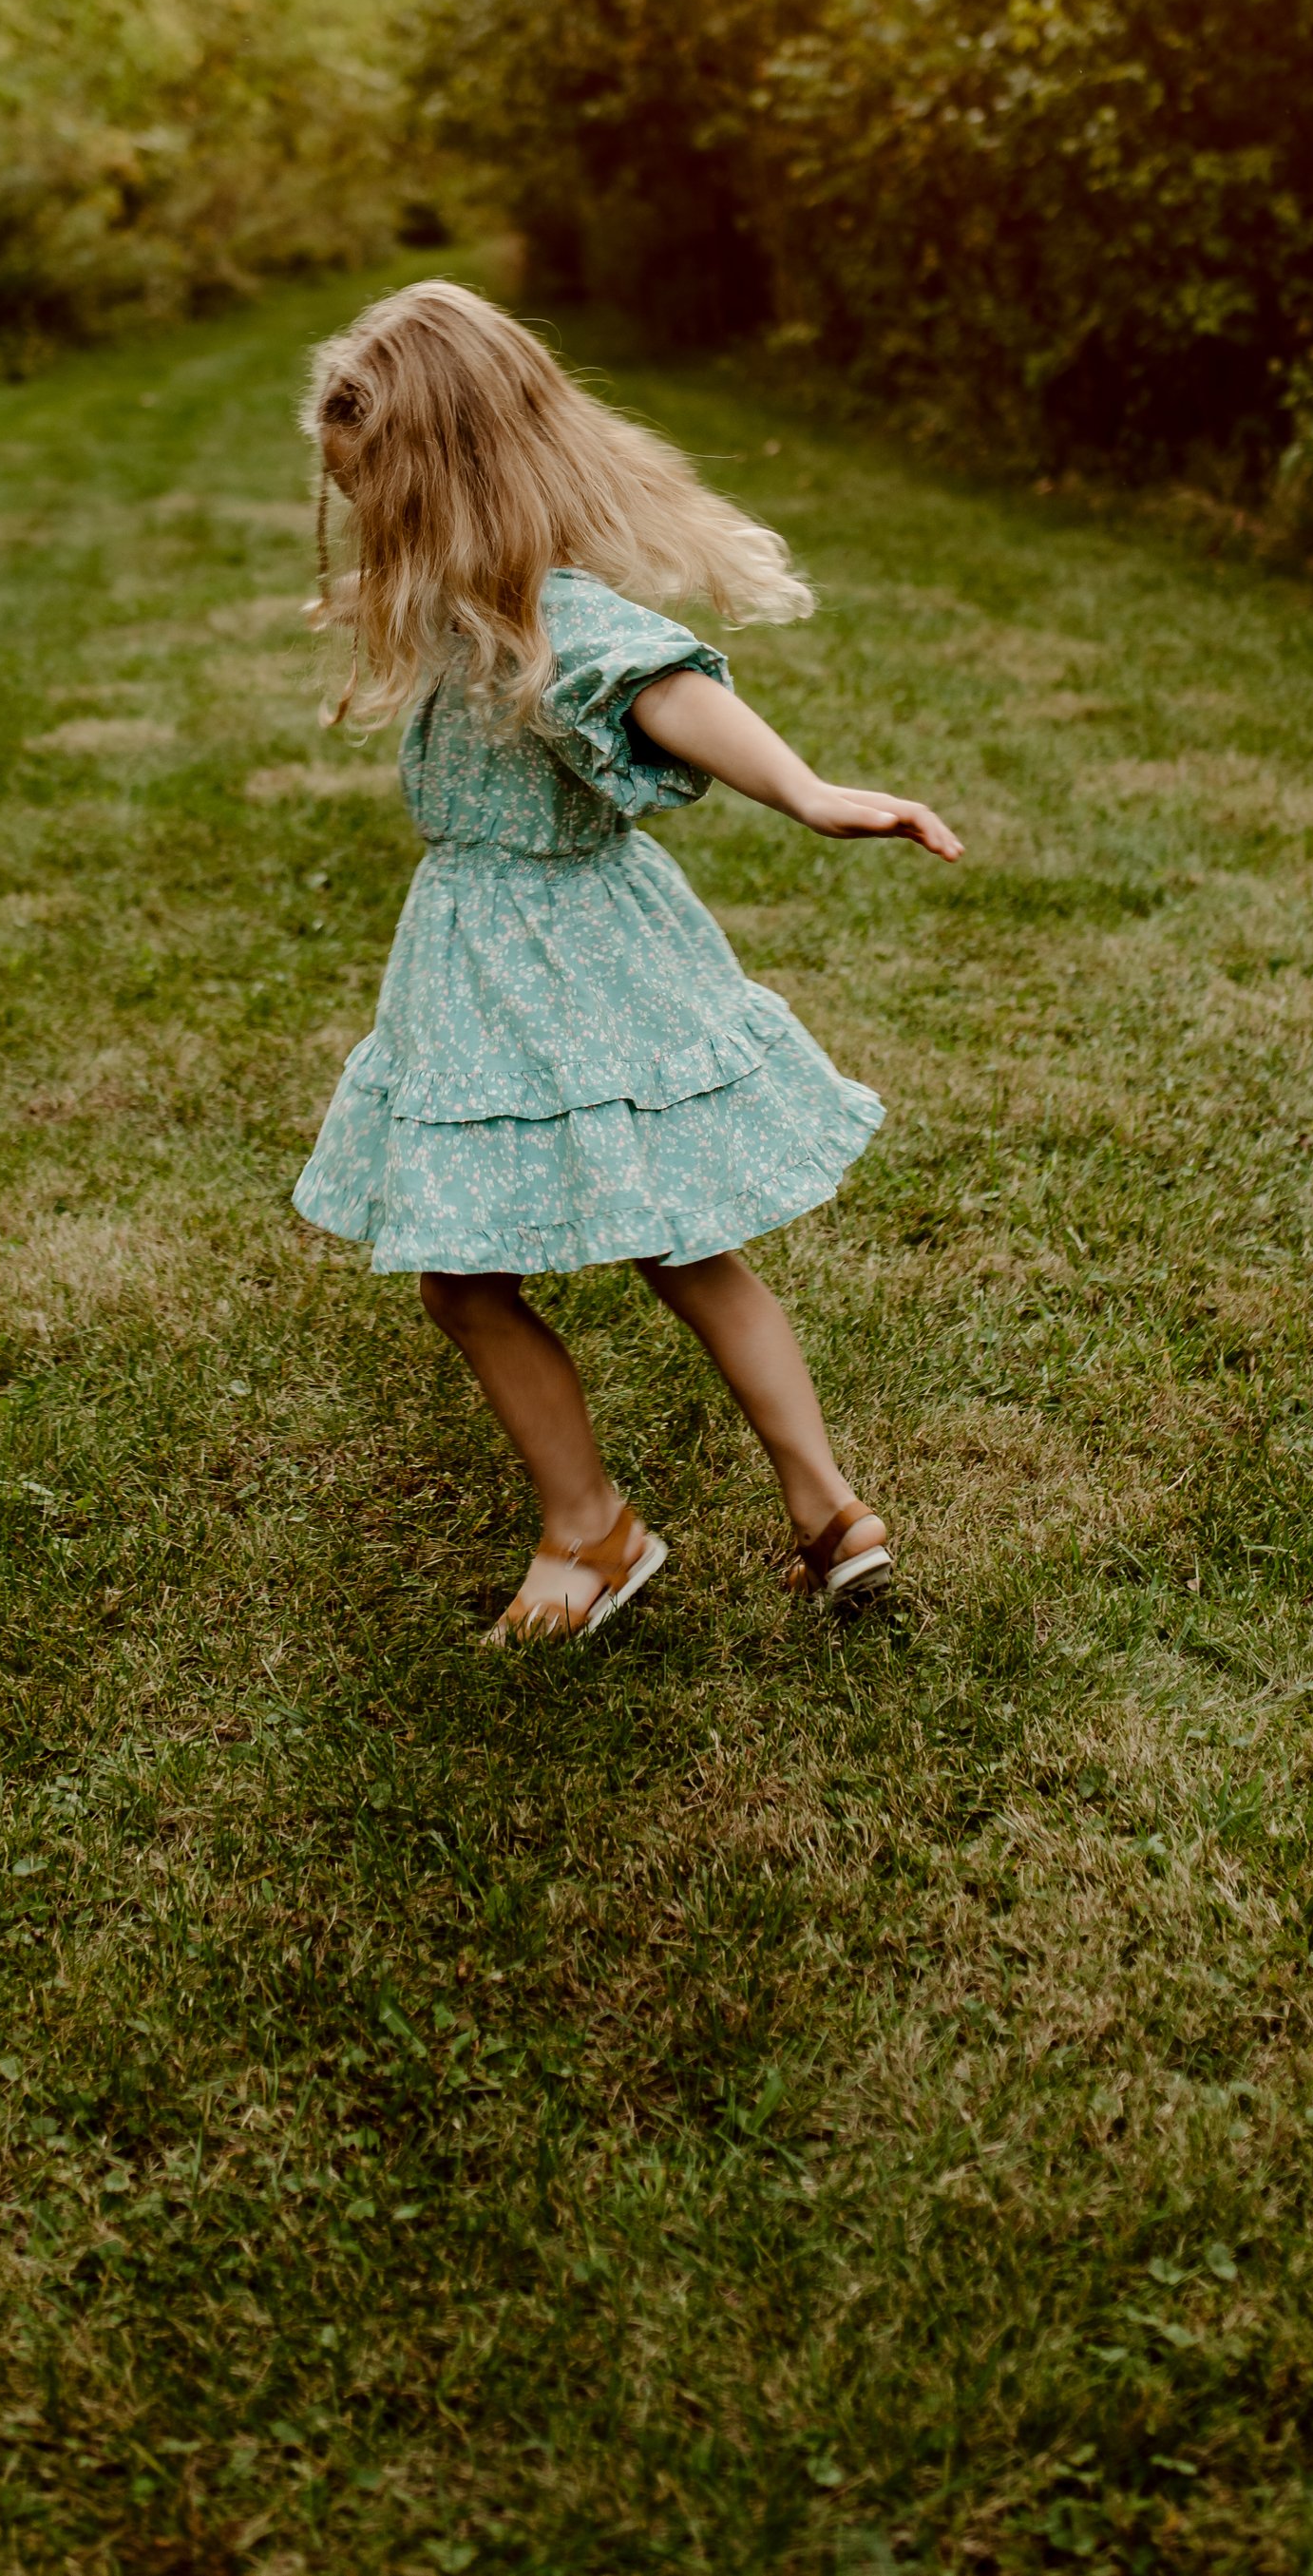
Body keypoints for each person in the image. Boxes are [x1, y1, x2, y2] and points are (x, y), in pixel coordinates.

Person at [292, 281, 963, 1641]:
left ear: (451, 478)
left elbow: (671, 692)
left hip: (545, 976)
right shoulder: (476, 602)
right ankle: (829, 1509)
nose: (370, 523)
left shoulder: (556, 614)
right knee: (682, 1243)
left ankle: (591, 1530)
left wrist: (812, 790)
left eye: (385, 498)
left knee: (470, 1275)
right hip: (540, 964)